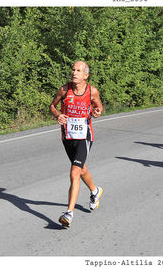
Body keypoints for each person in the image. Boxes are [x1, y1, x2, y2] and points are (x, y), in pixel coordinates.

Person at [49, 61, 104, 227]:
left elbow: (99, 107)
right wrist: (57, 115)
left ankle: (69, 213)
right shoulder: (64, 90)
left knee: (74, 172)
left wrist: (97, 112)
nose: (74, 73)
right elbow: (52, 106)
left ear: (85, 75)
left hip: (84, 137)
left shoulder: (92, 91)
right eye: (73, 70)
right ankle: (95, 191)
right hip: (68, 137)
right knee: (81, 169)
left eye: (78, 71)